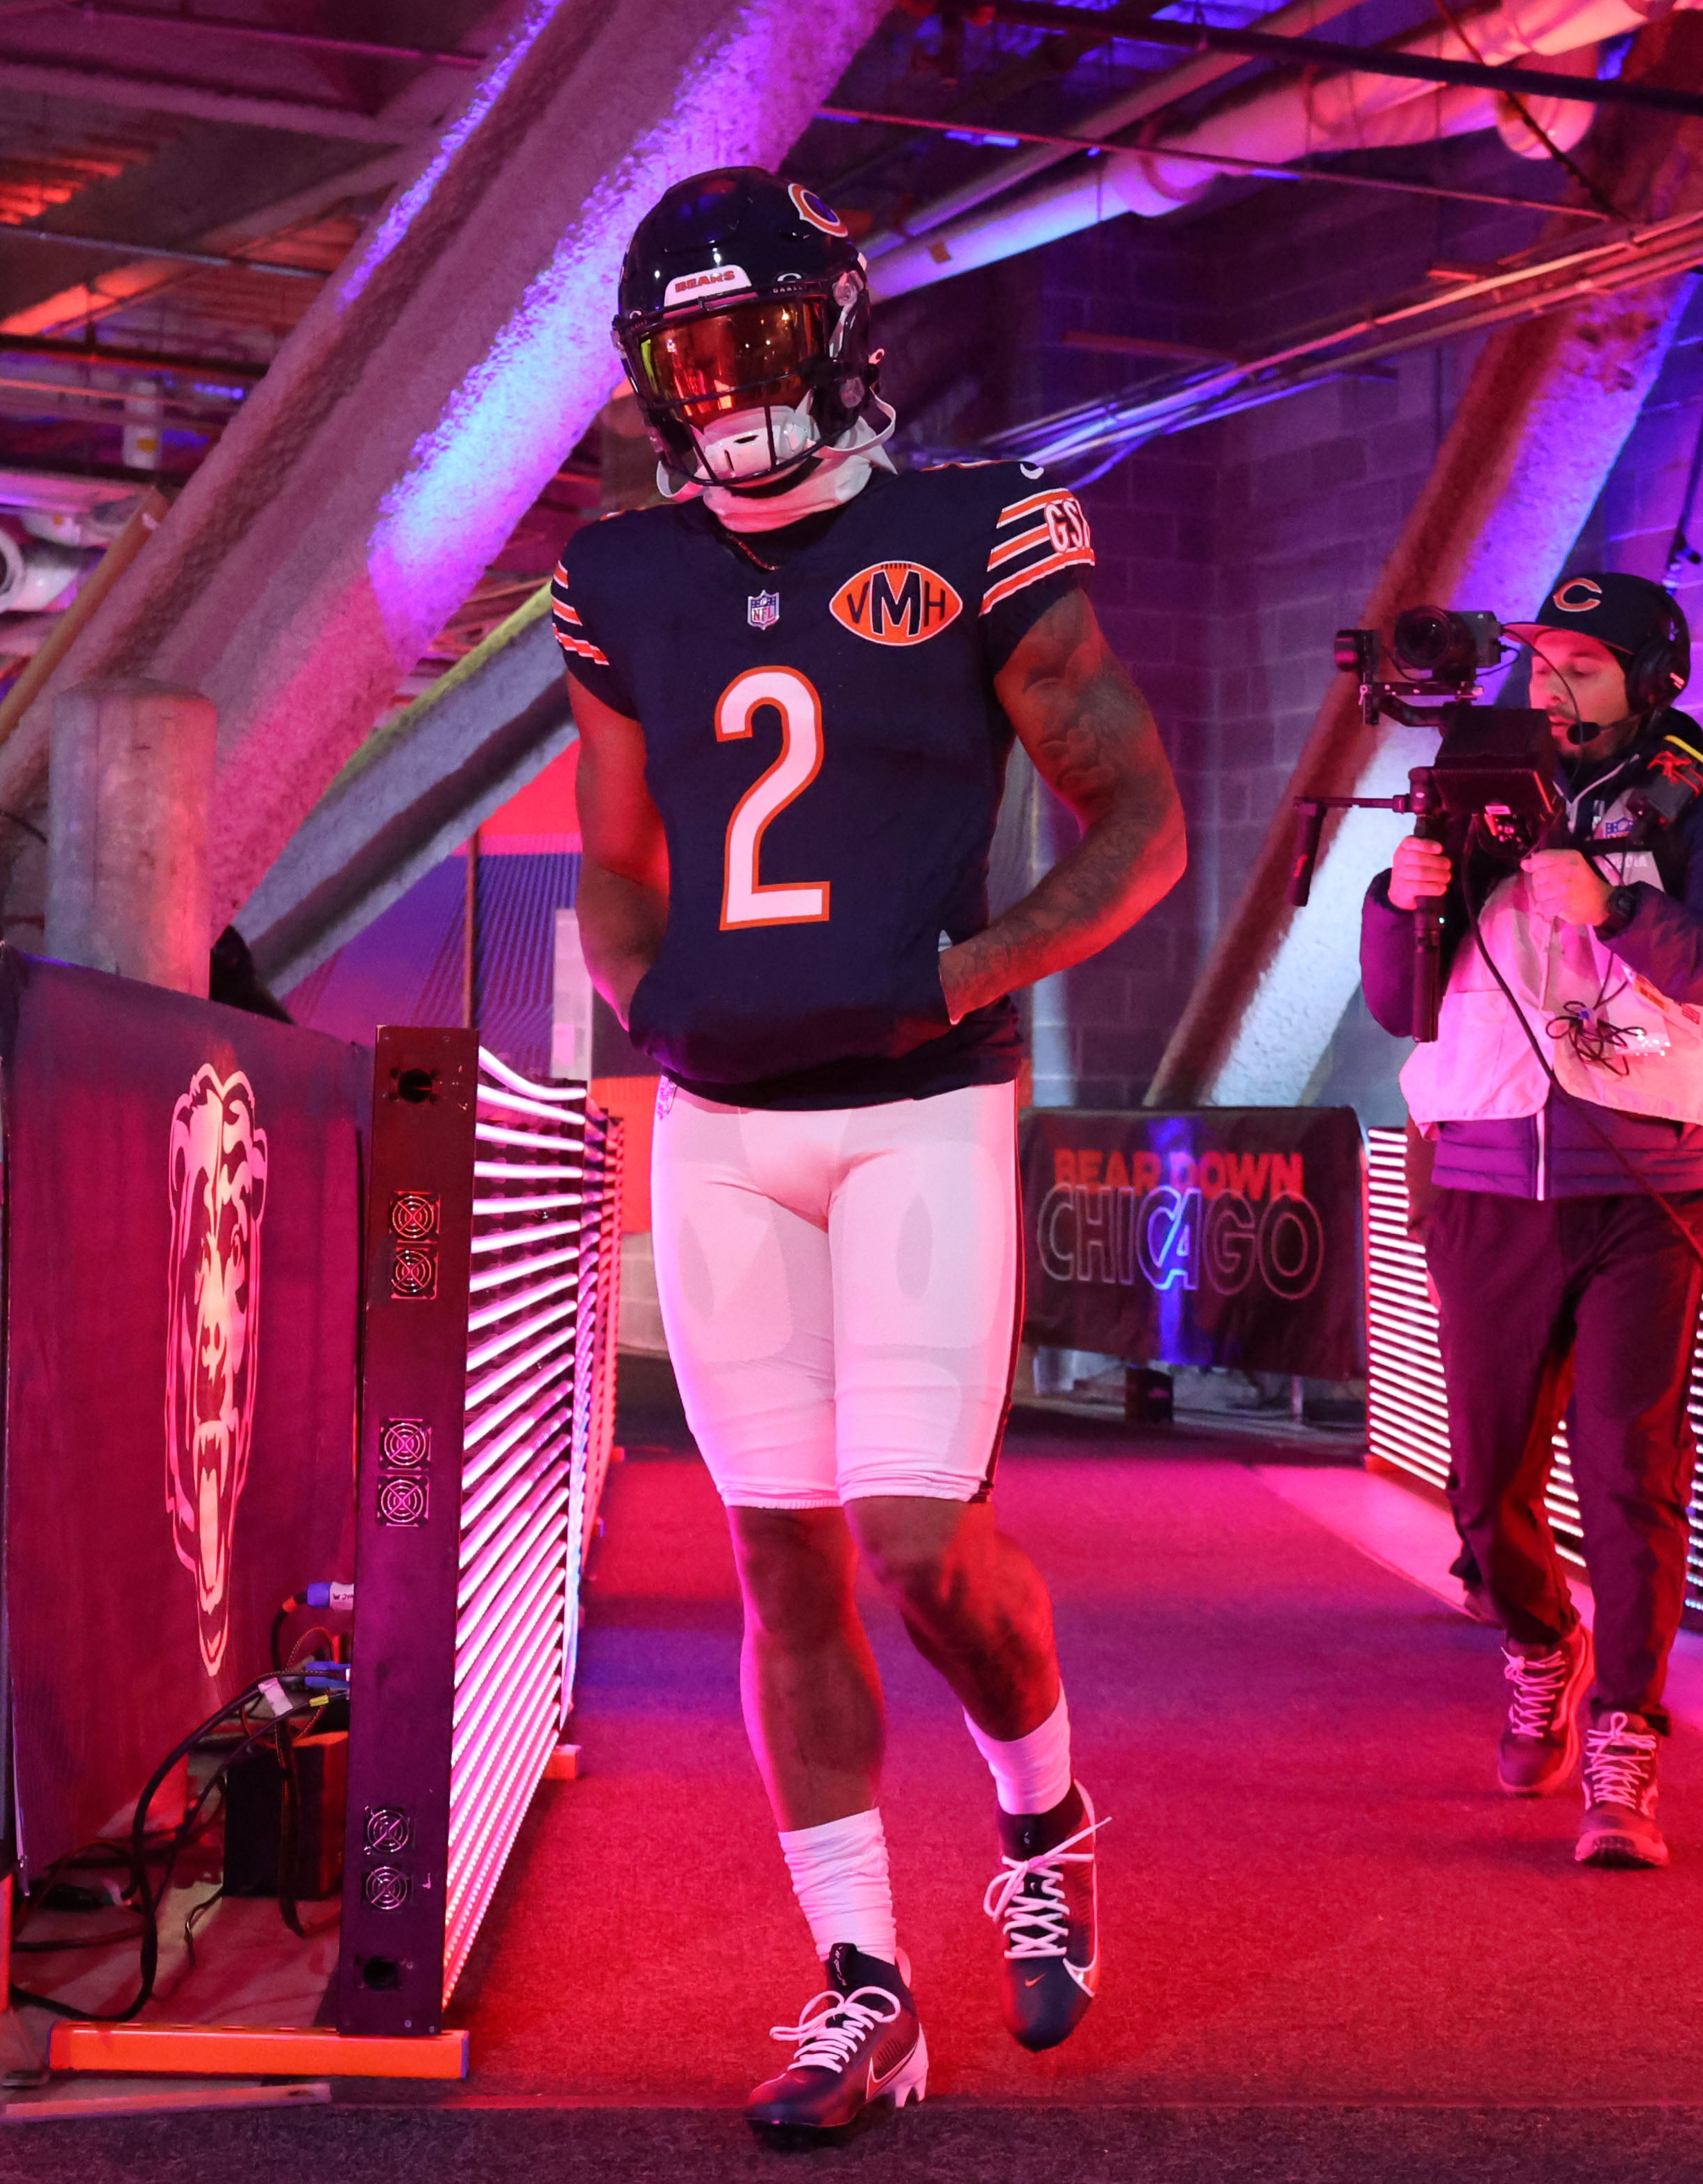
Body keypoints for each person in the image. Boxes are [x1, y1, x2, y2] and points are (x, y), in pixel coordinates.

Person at [562, 169, 1184, 2142]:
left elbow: (1136, 827)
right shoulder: (621, 573)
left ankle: (1044, 1807)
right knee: (774, 1563)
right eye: (685, 352)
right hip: (727, 1121)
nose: (721, 383)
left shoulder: (970, 527)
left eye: (748, 338)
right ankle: (862, 1985)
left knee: (920, 1551)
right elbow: (609, 847)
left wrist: (962, 972)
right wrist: (637, 994)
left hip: (917, 1104)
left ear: (833, 330)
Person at [1361, 572, 1703, 1871]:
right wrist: (1400, 899)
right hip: (1484, 1169)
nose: (1549, 690)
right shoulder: (1467, 795)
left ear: (1647, 683)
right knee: (1483, 1489)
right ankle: (1542, 1642)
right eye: (1540, 666)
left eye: (1580, 669)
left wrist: (1619, 909)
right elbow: (1397, 1007)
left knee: (1626, 1462)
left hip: (1646, 1180)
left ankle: (1626, 1738)